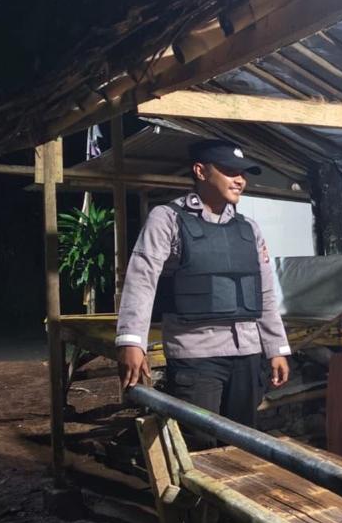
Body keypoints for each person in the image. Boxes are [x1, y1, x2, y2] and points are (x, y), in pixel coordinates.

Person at [116, 139, 290, 447]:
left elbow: (264, 289)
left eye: (243, 173)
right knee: (201, 446)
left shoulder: (249, 228)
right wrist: (132, 340)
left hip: (247, 355)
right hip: (197, 356)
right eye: (229, 171)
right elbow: (142, 278)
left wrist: (276, 348)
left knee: (243, 445)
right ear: (200, 171)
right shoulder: (167, 218)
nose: (240, 180)